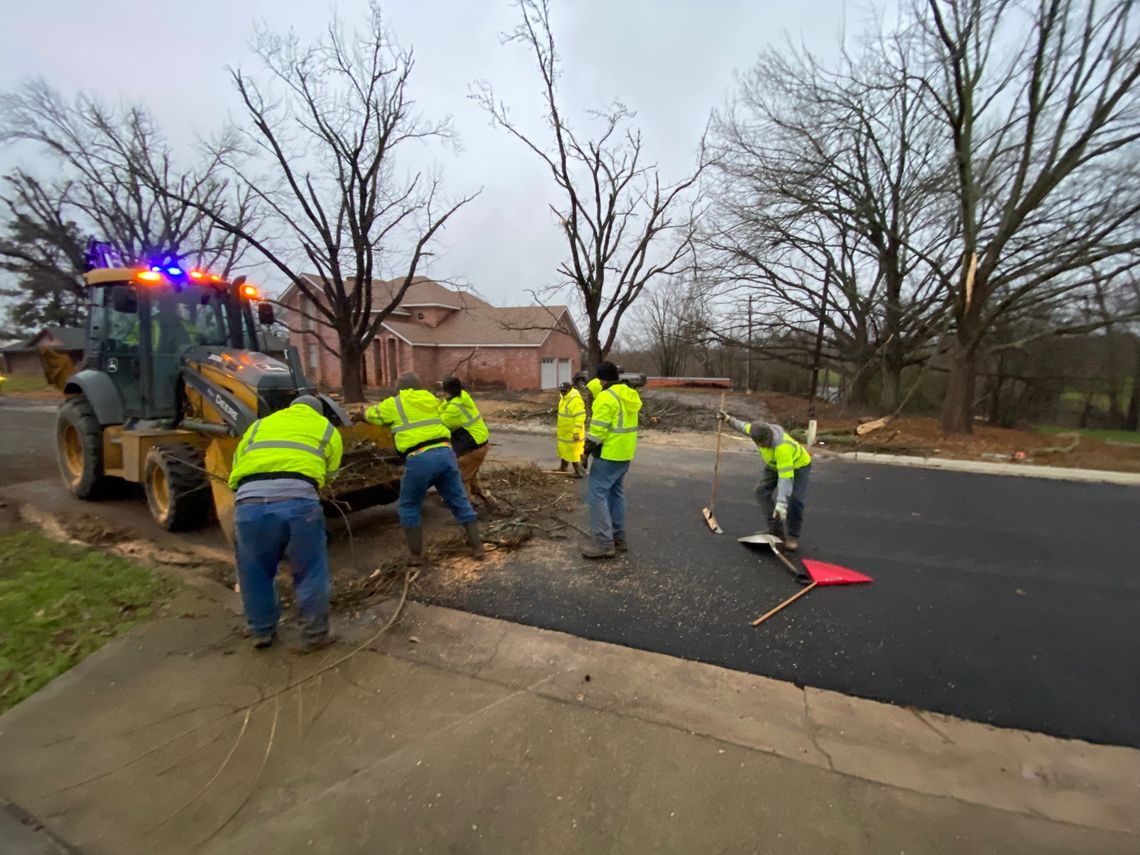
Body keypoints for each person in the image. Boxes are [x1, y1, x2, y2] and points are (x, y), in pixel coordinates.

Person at [229, 395, 342, 652]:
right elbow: (331, 472)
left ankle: (261, 630)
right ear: (319, 411)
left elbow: (237, 464)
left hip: (248, 503)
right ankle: (314, 635)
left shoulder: (259, 426)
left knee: (254, 571)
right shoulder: (326, 428)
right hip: (299, 504)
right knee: (310, 569)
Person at [364, 373, 484, 565]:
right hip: (446, 454)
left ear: (400, 388)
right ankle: (478, 548)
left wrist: (360, 415)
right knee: (458, 499)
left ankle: (416, 556)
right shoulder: (432, 400)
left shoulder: (395, 403)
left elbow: (372, 415)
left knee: (409, 505)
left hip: (420, 458)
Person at [717, 410, 812, 551]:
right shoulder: (755, 430)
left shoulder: (782, 448)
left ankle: (793, 535)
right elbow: (742, 426)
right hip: (773, 465)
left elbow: (785, 478)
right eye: (761, 444)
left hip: (798, 467)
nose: (764, 446)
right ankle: (775, 529)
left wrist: (781, 503)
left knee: (794, 499)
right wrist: (728, 419)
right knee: (760, 492)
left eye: (766, 442)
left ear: (770, 435)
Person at [580, 361, 642, 559]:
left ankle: (604, 543)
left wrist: (585, 451)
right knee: (616, 494)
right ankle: (618, 538)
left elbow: (597, 432)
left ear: (601, 379)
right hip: (624, 454)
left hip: (608, 454)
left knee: (597, 495)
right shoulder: (629, 393)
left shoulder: (606, 397)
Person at [439, 376, 493, 508]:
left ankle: (468, 511)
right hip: (479, 443)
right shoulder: (461, 397)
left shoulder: (454, 408)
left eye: (443, 391)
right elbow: (442, 407)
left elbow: (440, 424)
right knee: (471, 476)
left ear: (447, 391)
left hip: (473, 446)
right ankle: (490, 502)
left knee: (460, 478)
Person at [556, 381, 586, 476]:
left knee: (574, 452)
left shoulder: (575, 400)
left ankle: (578, 471)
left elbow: (580, 417)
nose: (562, 393)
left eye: (564, 391)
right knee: (563, 449)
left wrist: (576, 432)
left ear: (569, 390)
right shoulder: (563, 398)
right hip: (564, 431)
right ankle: (563, 467)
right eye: (561, 391)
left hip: (573, 431)